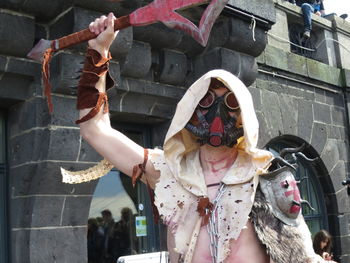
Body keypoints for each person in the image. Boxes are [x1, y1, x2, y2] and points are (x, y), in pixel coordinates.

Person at [65, 12, 331, 263]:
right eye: (205, 101)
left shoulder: (266, 177)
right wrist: (98, 52)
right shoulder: (169, 172)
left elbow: (302, 256)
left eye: (230, 103)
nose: (217, 113)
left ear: (245, 116)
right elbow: (95, 130)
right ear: (189, 110)